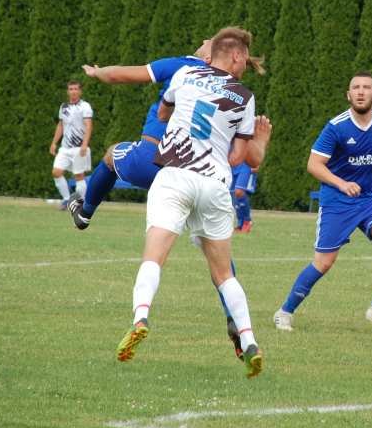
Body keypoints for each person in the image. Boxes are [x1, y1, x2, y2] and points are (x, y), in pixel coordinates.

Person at [73, 35, 271, 361]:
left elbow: (163, 113)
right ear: (236, 58)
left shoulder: (184, 73)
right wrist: (259, 142)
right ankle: (249, 339)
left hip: (174, 174)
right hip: (214, 184)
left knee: (154, 257)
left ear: (219, 52)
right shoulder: (245, 97)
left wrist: (101, 74)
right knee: (224, 273)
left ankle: (140, 317)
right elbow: (241, 158)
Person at [274, 72, 372, 332]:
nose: (360, 91)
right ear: (348, 95)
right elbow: (314, 164)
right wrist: (341, 183)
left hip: (368, 199)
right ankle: (285, 312)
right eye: (355, 87)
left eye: (366, 87)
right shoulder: (336, 126)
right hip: (337, 201)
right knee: (323, 263)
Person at [50, 81, 93, 208]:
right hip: (65, 148)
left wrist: (85, 144)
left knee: (79, 176)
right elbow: (60, 125)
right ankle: (66, 199)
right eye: (71, 89)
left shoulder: (85, 106)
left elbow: (89, 126)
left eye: (76, 89)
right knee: (56, 172)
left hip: (79, 148)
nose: (73, 91)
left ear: (80, 91)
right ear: (67, 91)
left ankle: (81, 203)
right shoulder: (64, 107)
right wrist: (54, 143)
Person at [230, 162, 257, 233]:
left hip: (247, 167)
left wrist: (256, 163)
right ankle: (240, 225)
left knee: (239, 192)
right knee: (235, 197)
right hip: (233, 167)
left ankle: (247, 221)